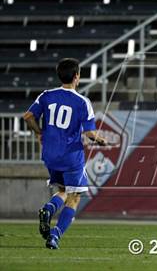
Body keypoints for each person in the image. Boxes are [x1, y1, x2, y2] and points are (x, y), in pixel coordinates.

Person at [23, 58, 107, 249]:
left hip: (50, 154)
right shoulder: (82, 102)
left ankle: (47, 209)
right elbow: (90, 134)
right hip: (71, 156)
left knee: (62, 190)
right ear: (77, 76)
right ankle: (55, 235)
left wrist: (39, 132)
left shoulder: (46, 95)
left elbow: (28, 116)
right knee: (75, 197)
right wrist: (101, 140)